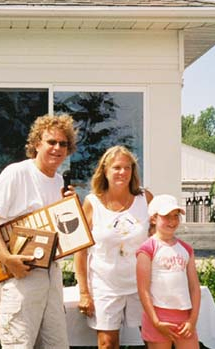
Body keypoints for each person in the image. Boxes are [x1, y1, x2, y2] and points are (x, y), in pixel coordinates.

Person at [0, 114, 78, 349]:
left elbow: (68, 235)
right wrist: (6, 258)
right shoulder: (18, 173)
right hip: (20, 275)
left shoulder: (60, 182)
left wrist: (73, 208)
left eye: (63, 144)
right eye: (51, 142)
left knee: (56, 346)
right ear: (36, 144)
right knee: (18, 345)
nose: (57, 148)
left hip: (51, 273)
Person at [74, 145, 153, 348]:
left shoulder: (145, 199)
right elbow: (80, 251)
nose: (122, 172)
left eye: (127, 167)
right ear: (105, 171)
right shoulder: (92, 202)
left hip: (141, 284)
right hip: (104, 285)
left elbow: (158, 239)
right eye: (117, 167)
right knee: (107, 343)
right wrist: (84, 292)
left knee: (154, 340)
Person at [136, 194, 201, 349]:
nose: (172, 221)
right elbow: (143, 290)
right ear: (154, 219)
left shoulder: (186, 249)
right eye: (166, 216)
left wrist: (192, 321)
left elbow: (194, 288)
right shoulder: (147, 249)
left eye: (176, 216)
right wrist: (156, 322)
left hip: (184, 318)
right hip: (158, 318)